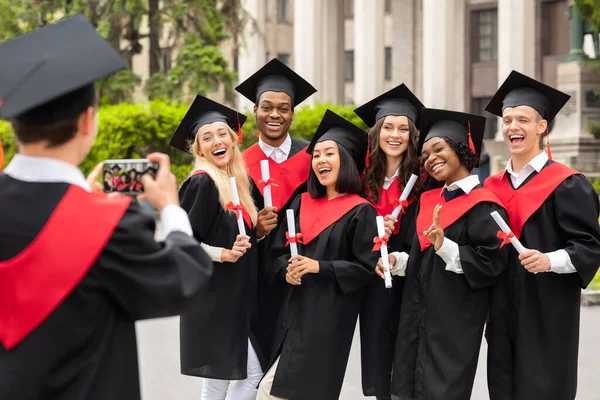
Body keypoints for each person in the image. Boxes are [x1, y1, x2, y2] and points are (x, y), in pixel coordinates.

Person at [0, 15, 213, 400]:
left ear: (15, 124)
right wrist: (170, 208)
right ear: (87, 121)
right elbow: (184, 280)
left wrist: (83, 197)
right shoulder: (108, 224)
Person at [484, 71, 600, 400]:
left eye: (523, 119)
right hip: (502, 316)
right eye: (507, 120)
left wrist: (549, 260)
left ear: (542, 126)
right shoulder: (491, 188)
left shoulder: (567, 183)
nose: (512, 127)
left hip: (548, 315)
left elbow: (591, 247)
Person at [385, 109, 509, 400]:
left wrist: (444, 245)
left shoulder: (485, 206)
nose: (431, 159)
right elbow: (419, 260)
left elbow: (491, 264)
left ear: (461, 149)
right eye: (425, 154)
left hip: (453, 326)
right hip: (415, 320)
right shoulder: (427, 200)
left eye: (439, 149)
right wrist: (396, 261)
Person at [256, 110, 379, 400]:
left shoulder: (362, 211)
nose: (321, 160)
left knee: (275, 392)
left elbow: (366, 269)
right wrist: (286, 267)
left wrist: (319, 267)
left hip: (328, 319)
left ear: (346, 160)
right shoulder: (300, 203)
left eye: (330, 154)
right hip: (290, 313)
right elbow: (275, 252)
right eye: (317, 155)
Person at [169, 94, 262, 400]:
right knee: (243, 377)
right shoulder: (202, 183)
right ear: (198, 149)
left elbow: (238, 237)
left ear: (233, 140)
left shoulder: (238, 183)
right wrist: (224, 253)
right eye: (206, 137)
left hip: (233, 298)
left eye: (222, 133)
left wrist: (257, 232)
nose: (216, 140)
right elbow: (183, 241)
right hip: (214, 299)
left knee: (225, 380)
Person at [235, 58, 317, 368]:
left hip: (300, 276)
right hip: (255, 281)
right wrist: (254, 231)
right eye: (267, 107)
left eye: (283, 108)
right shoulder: (237, 165)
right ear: (254, 111)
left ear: (293, 114)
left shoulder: (313, 157)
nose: (275, 114)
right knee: (254, 368)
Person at [353, 83, 425, 400]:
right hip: (373, 278)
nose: (395, 135)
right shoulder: (359, 177)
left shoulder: (423, 178)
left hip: (411, 280)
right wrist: (374, 226)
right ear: (376, 132)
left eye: (403, 129)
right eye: (388, 127)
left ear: (412, 136)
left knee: (409, 353)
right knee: (378, 352)